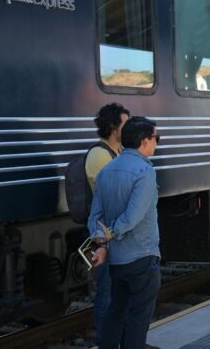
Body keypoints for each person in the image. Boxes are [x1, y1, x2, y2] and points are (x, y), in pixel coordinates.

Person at [88, 116, 161, 349]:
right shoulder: (145, 171)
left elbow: (94, 217)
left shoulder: (106, 171)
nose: (157, 143)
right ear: (145, 141)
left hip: (116, 260)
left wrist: (101, 241)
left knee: (116, 311)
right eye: (156, 138)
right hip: (142, 256)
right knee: (138, 318)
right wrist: (112, 233)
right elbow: (134, 215)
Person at [86, 102, 130, 344]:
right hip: (105, 235)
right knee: (107, 294)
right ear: (114, 127)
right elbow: (115, 195)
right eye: (126, 123)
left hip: (118, 234)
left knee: (121, 294)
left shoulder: (120, 151)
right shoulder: (99, 155)